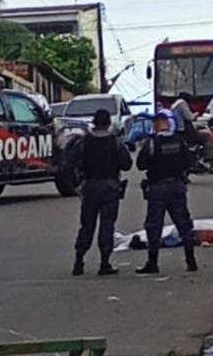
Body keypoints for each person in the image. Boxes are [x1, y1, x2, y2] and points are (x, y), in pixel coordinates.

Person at [72, 109, 133, 276]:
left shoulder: (84, 142)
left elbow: (72, 161)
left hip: (90, 186)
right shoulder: (115, 142)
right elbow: (127, 164)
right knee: (107, 225)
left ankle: (79, 260)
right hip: (110, 186)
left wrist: (78, 183)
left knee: (87, 224)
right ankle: (104, 263)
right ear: (108, 123)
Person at [136, 112, 198, 274]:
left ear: (155, 125)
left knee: (154, 225)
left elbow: (141, 165)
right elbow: (189, 162)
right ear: (169, 124)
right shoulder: (180, 141)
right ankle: (191, 260)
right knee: (184, 223)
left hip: (157, 188)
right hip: (177, 186)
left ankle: (153, 262)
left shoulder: (151, 143)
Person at [171, 92, 213, 161]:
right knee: (206, 137)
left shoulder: (174, 105)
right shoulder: (182, 104)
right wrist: (196, 114)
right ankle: (207, 158)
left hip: (178, 131)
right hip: (185, 131)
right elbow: (189, 117)